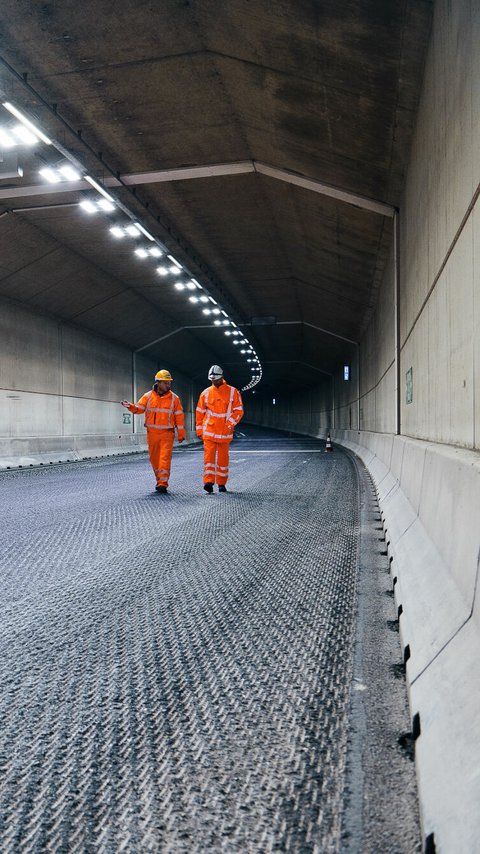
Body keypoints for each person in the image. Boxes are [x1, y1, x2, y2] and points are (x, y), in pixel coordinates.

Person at [121, 369, 185, 493]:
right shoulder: (148, 396)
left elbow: (179, 416)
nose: (168, 385)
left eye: (169, 383)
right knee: (154, 459)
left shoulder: (174, 398)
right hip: (152, 434)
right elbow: (140, 409)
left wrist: (181, 433)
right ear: (158, 383)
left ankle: (163, 483)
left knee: (164, 458)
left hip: (167, 433)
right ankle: (159, 479)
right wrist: (131, 407)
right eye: (166, 383)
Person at [195, 365, 244, 493]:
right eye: (211, 380)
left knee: (223, 460)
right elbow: (199, 412)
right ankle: (208, 482)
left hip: (224, 433)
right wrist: (199, 430)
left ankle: (221, 483)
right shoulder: (205, 393)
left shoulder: (233, 392)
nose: (213, 382)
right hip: (210, 432)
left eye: (215, 380)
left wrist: (229, 425)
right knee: (208, 459)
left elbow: (238, 411)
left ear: (222, 377)